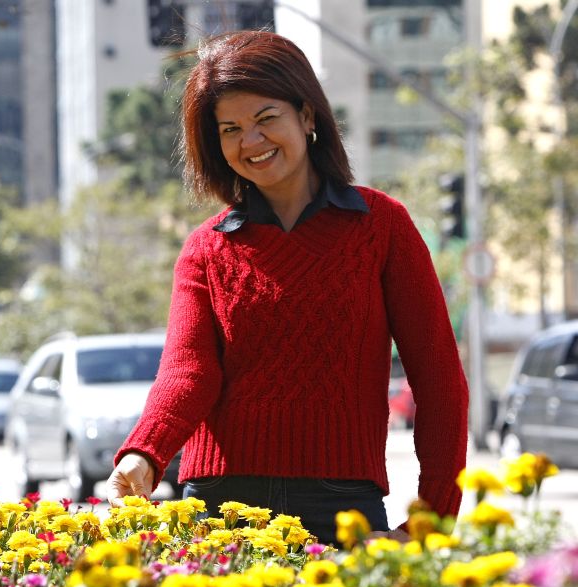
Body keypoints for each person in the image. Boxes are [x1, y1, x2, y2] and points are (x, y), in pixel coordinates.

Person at [106, 30, 468, 546]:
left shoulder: (382, 227)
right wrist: (144, 453)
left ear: (307, 116)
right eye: (230, 129)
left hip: (340, 504)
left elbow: (438, 379)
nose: (250, 141)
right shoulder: (206, 248)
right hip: (219, 507)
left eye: (265, 118)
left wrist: (432, 521)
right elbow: (188, 372)